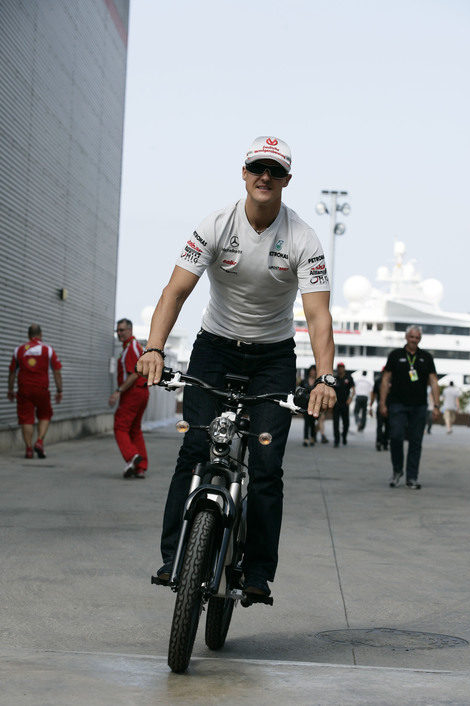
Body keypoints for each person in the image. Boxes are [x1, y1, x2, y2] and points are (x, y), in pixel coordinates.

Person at [137, 136, 336, 598]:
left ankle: (258, 571)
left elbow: (318, 314)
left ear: (287, 180)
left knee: (266, 466)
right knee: (193, 453)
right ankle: (174, 559)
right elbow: (175, 292)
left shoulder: (303, 238)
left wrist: (325, 376)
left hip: (272, 356)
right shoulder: (215, 224)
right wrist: (154, 348)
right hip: (214, 347)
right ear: (244, 174)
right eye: (256, 168)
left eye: (275, 170)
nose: (265, 177)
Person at [379, 325, 440, 489]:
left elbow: (433, 381)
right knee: (396, 437)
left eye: (417, 338)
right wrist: (382, 403)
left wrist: (436, 405)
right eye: (412, 337)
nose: (414, 340)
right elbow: (385, 379)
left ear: (420, 339)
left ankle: (412, 477)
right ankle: (397, 470)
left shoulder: (426, 357)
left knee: (416, 441)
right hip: (397, 404)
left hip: (419, 406)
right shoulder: (395, 355)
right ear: (406, 337)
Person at [7, 324, 62, 458]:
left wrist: (10, 389)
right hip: (42, 390)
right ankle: (39, 441)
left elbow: (12, 372)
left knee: (27, 419)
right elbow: (56, 372)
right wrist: (59, 390)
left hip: (24, 390)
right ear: (41, 335)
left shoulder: (18, 350)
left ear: (28, 335)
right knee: (45, 415)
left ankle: (29, 449)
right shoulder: (48, 350)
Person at [108, 319, 149, 479]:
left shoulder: (131, 348)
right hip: (141, 392)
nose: (119, 333)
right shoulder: (133, 347)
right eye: (117, 330)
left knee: (120, 426)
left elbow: (134, 373)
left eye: (122, 330)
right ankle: (140, 467)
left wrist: (118, 391)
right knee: (134, 429)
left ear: (130, 330)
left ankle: (132, 457)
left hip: (133, 393)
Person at [332, 362, 355, 447]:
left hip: (345, 404)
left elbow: (353, 390)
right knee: (336, 423)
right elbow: (332, 390)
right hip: (336, 404)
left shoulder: (348, 378)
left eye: (341, 367)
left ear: (344, 368)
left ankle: (344, 436)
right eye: (339, 367)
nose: (340, 369)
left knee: (346, 423)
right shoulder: (335, 378)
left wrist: (350, 399)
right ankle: (336, 440)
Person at [369, 369, 389, 450]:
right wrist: (370, 405)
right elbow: (373, 394)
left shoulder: (393, 381)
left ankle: (385, 442)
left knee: (389, 426)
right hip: (380, 406)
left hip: (390, 407)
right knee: (379, 426)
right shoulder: (378, 381)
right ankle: (379, 441)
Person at [299, 365, 319, 446]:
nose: (313, 372)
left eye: (314, 370)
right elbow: (299, 391)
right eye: (311, 370)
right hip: (305, 404)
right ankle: (306, 438)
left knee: (313, 422)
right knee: (306, 422)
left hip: (315, 404)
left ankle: (313, 437)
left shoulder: (318, 382)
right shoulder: (304, 381)